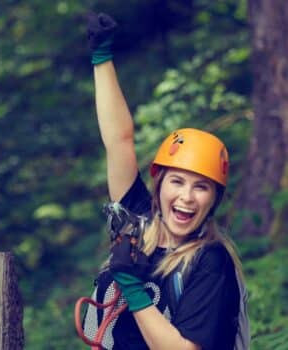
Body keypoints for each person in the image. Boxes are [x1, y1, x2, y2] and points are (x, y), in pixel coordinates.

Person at [83, 12, 246, 350]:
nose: (187, 197)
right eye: (177, 181)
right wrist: (102, 58)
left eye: (201, 186)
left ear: (214, 199)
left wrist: (131, 287)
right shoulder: (138, 223)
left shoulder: (210, 262)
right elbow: (119, 140)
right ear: (158, 183)